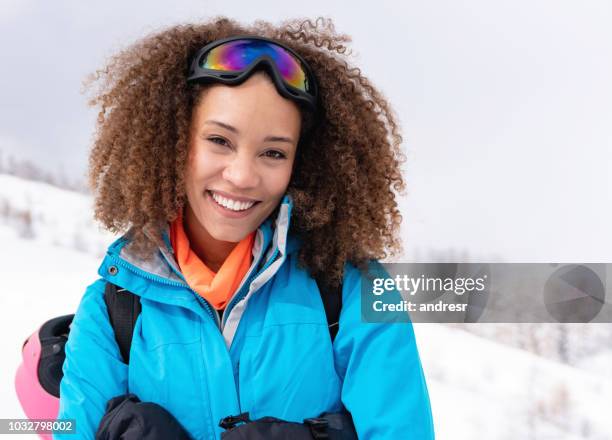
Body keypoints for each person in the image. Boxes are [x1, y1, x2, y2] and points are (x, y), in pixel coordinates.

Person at [55, 16, 435, 439]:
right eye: (219, 141)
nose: (241, 176)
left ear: (301, 164)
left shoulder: (353, 292)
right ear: (174, 141)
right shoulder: (113, 306)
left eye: (273, 152)